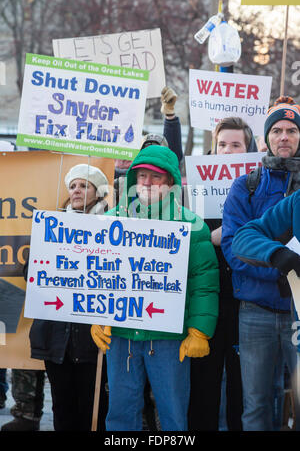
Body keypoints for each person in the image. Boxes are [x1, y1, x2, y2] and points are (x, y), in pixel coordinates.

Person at [91, 145, 220, 431]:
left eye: (156, 177)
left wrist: (200, 330)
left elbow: (204, 282)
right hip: (121, 335)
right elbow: (96, 274)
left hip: (168, 338)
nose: (147, 183)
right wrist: (96, 315)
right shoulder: (110, 220)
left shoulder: (192, 225)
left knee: (173, 413)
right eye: (142, 176)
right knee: (121, 414)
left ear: (171, 182)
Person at [221, 96, 300, 431]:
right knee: (256, 405)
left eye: (292, 130)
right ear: (267, 137)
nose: (284, 137)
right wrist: (279, 270)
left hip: (297, 312)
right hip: (256, 311)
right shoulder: (247, 186)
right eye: (277, 130)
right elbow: (233, 245)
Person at [28, 164, 110, 431]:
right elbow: (32, 270)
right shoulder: (49, 226)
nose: (76, 190)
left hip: (92, 339)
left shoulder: (113, 226)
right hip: (56, 339)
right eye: (73, 186)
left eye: (84, 185)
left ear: (98, 193)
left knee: (93, 408)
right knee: (61, 407)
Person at [188, 117, 257, 431]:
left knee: (242, 389)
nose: (228, 151)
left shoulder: (259, 189)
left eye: (236, 145)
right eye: (222, 145)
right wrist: (209, 237)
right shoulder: (197, 191)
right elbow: (184, 240)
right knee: (203, 384)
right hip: (207, 303)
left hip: (246, 302)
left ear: (248, 149)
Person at [114, 86, 183, 205]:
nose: (147, 182)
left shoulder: (176, 201)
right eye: (145, 152)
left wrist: (170, 117)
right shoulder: (115, 184)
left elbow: (173, 158)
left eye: (156, 175)